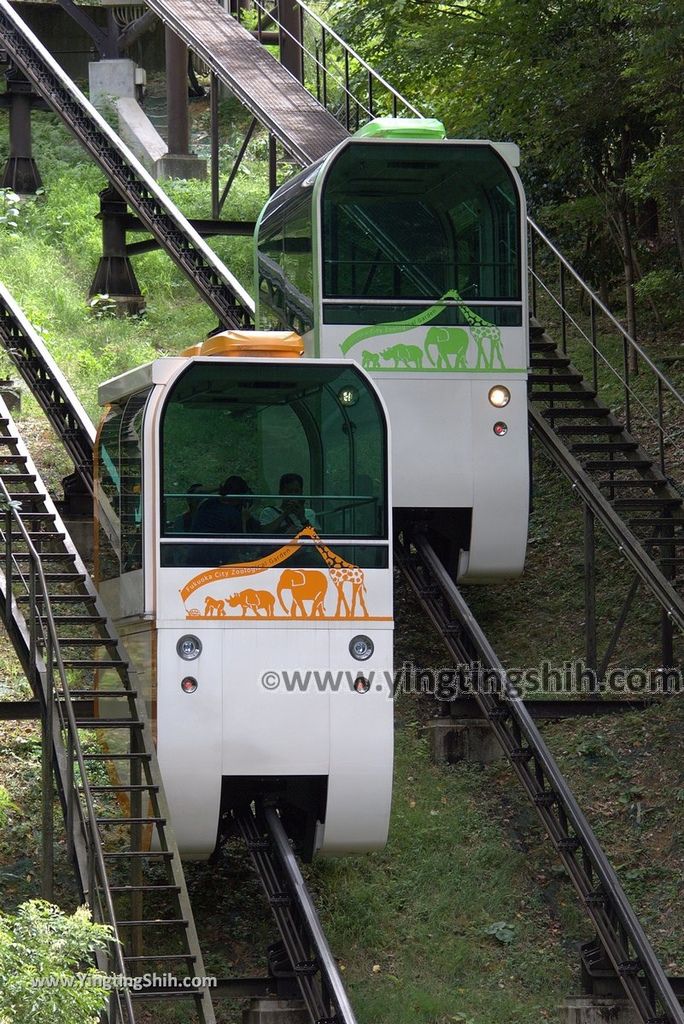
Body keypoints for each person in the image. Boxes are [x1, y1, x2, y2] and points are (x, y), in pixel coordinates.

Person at [192, 475, 260, 534]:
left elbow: (195, 492)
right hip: (219, 548)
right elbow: (242, 541)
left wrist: (222, 488)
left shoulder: (206, 503)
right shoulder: (233, 514)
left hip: (196, 545)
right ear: (238, 497)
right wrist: (245, 520)